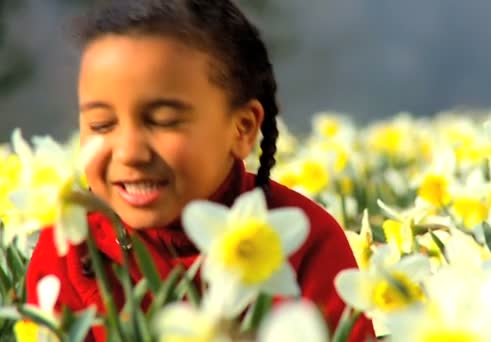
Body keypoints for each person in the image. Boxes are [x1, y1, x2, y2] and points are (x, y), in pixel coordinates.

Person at [25, 0, 375, 341]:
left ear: (243, 128)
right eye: (101, 124)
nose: (129, 152)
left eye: (164, 121)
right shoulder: (71, 250)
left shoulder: (306, 240)